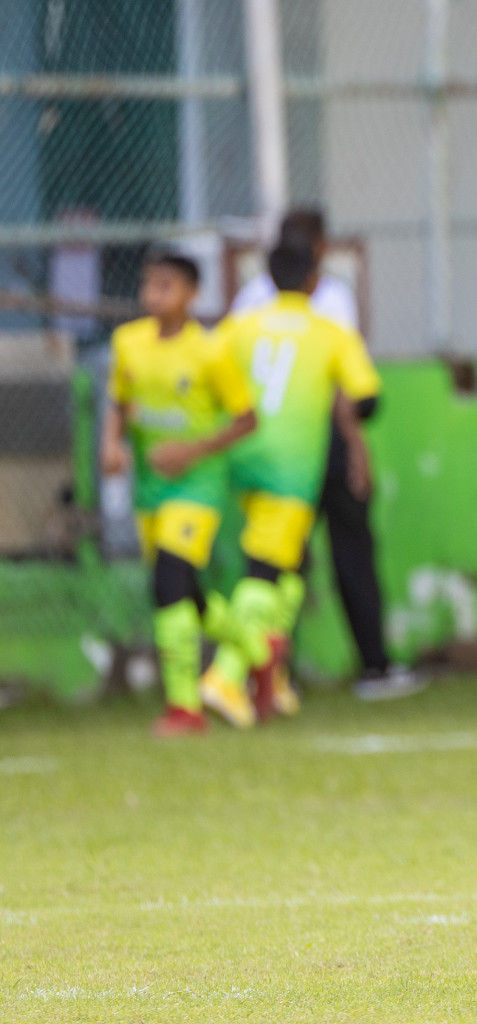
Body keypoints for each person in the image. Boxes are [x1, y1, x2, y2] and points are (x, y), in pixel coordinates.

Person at [231, 209, 419, 701]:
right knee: (350, 551)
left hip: (258, 444)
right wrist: (357, 450)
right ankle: (373, 668)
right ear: (315, 254)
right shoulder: (328, 299)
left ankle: (269, 674)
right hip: (318, 439)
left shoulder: (248, 304)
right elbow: (346, 388)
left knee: (274, 559)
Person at [198, 243, 382, 726]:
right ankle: (226, 672)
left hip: (241, 453)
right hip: (291, 466)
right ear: (314, 280)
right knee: (267, 567)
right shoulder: (330, 332)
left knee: (291, 563)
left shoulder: (242, 323)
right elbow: (367, 398)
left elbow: (206, 365)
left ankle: (272, 678)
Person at [101, 253, 257, 737]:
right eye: (149, 285)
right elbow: (120, 403)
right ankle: (256, 646)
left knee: (168, 583)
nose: (154, 294)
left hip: (197, 486)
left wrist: (192, 450)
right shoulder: (129, 342)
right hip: (150, 489)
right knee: (189, 595)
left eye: (166, 285)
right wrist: (111, 443)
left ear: (192, 293)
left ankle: (184, 708)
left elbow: (246, 419)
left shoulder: (210, 352)